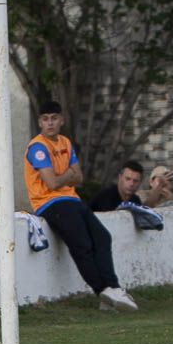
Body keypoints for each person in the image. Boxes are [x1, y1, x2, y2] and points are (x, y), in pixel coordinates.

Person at [24, 101, 138, 312]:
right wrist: (68, 175)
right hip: (49, 203)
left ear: (61, 120)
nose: (50, 123)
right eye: (45, 119)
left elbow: (80, 178)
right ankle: (102, 289)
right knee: (81, 245)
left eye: (54, 118)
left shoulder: (65, 143)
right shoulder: (38, 147)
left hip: (72, 199)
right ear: (40, 122)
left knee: (103, 237)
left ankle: (112, 289)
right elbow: (52, 183)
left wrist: (66, 177)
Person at [90, 160, 172, 212]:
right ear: (120, 178)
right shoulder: (106, 197)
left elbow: (144, 210)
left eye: (135, 181)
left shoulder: (134, 199)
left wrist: (159, 186)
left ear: (140, 182)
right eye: (128, 179)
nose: (131, 184)